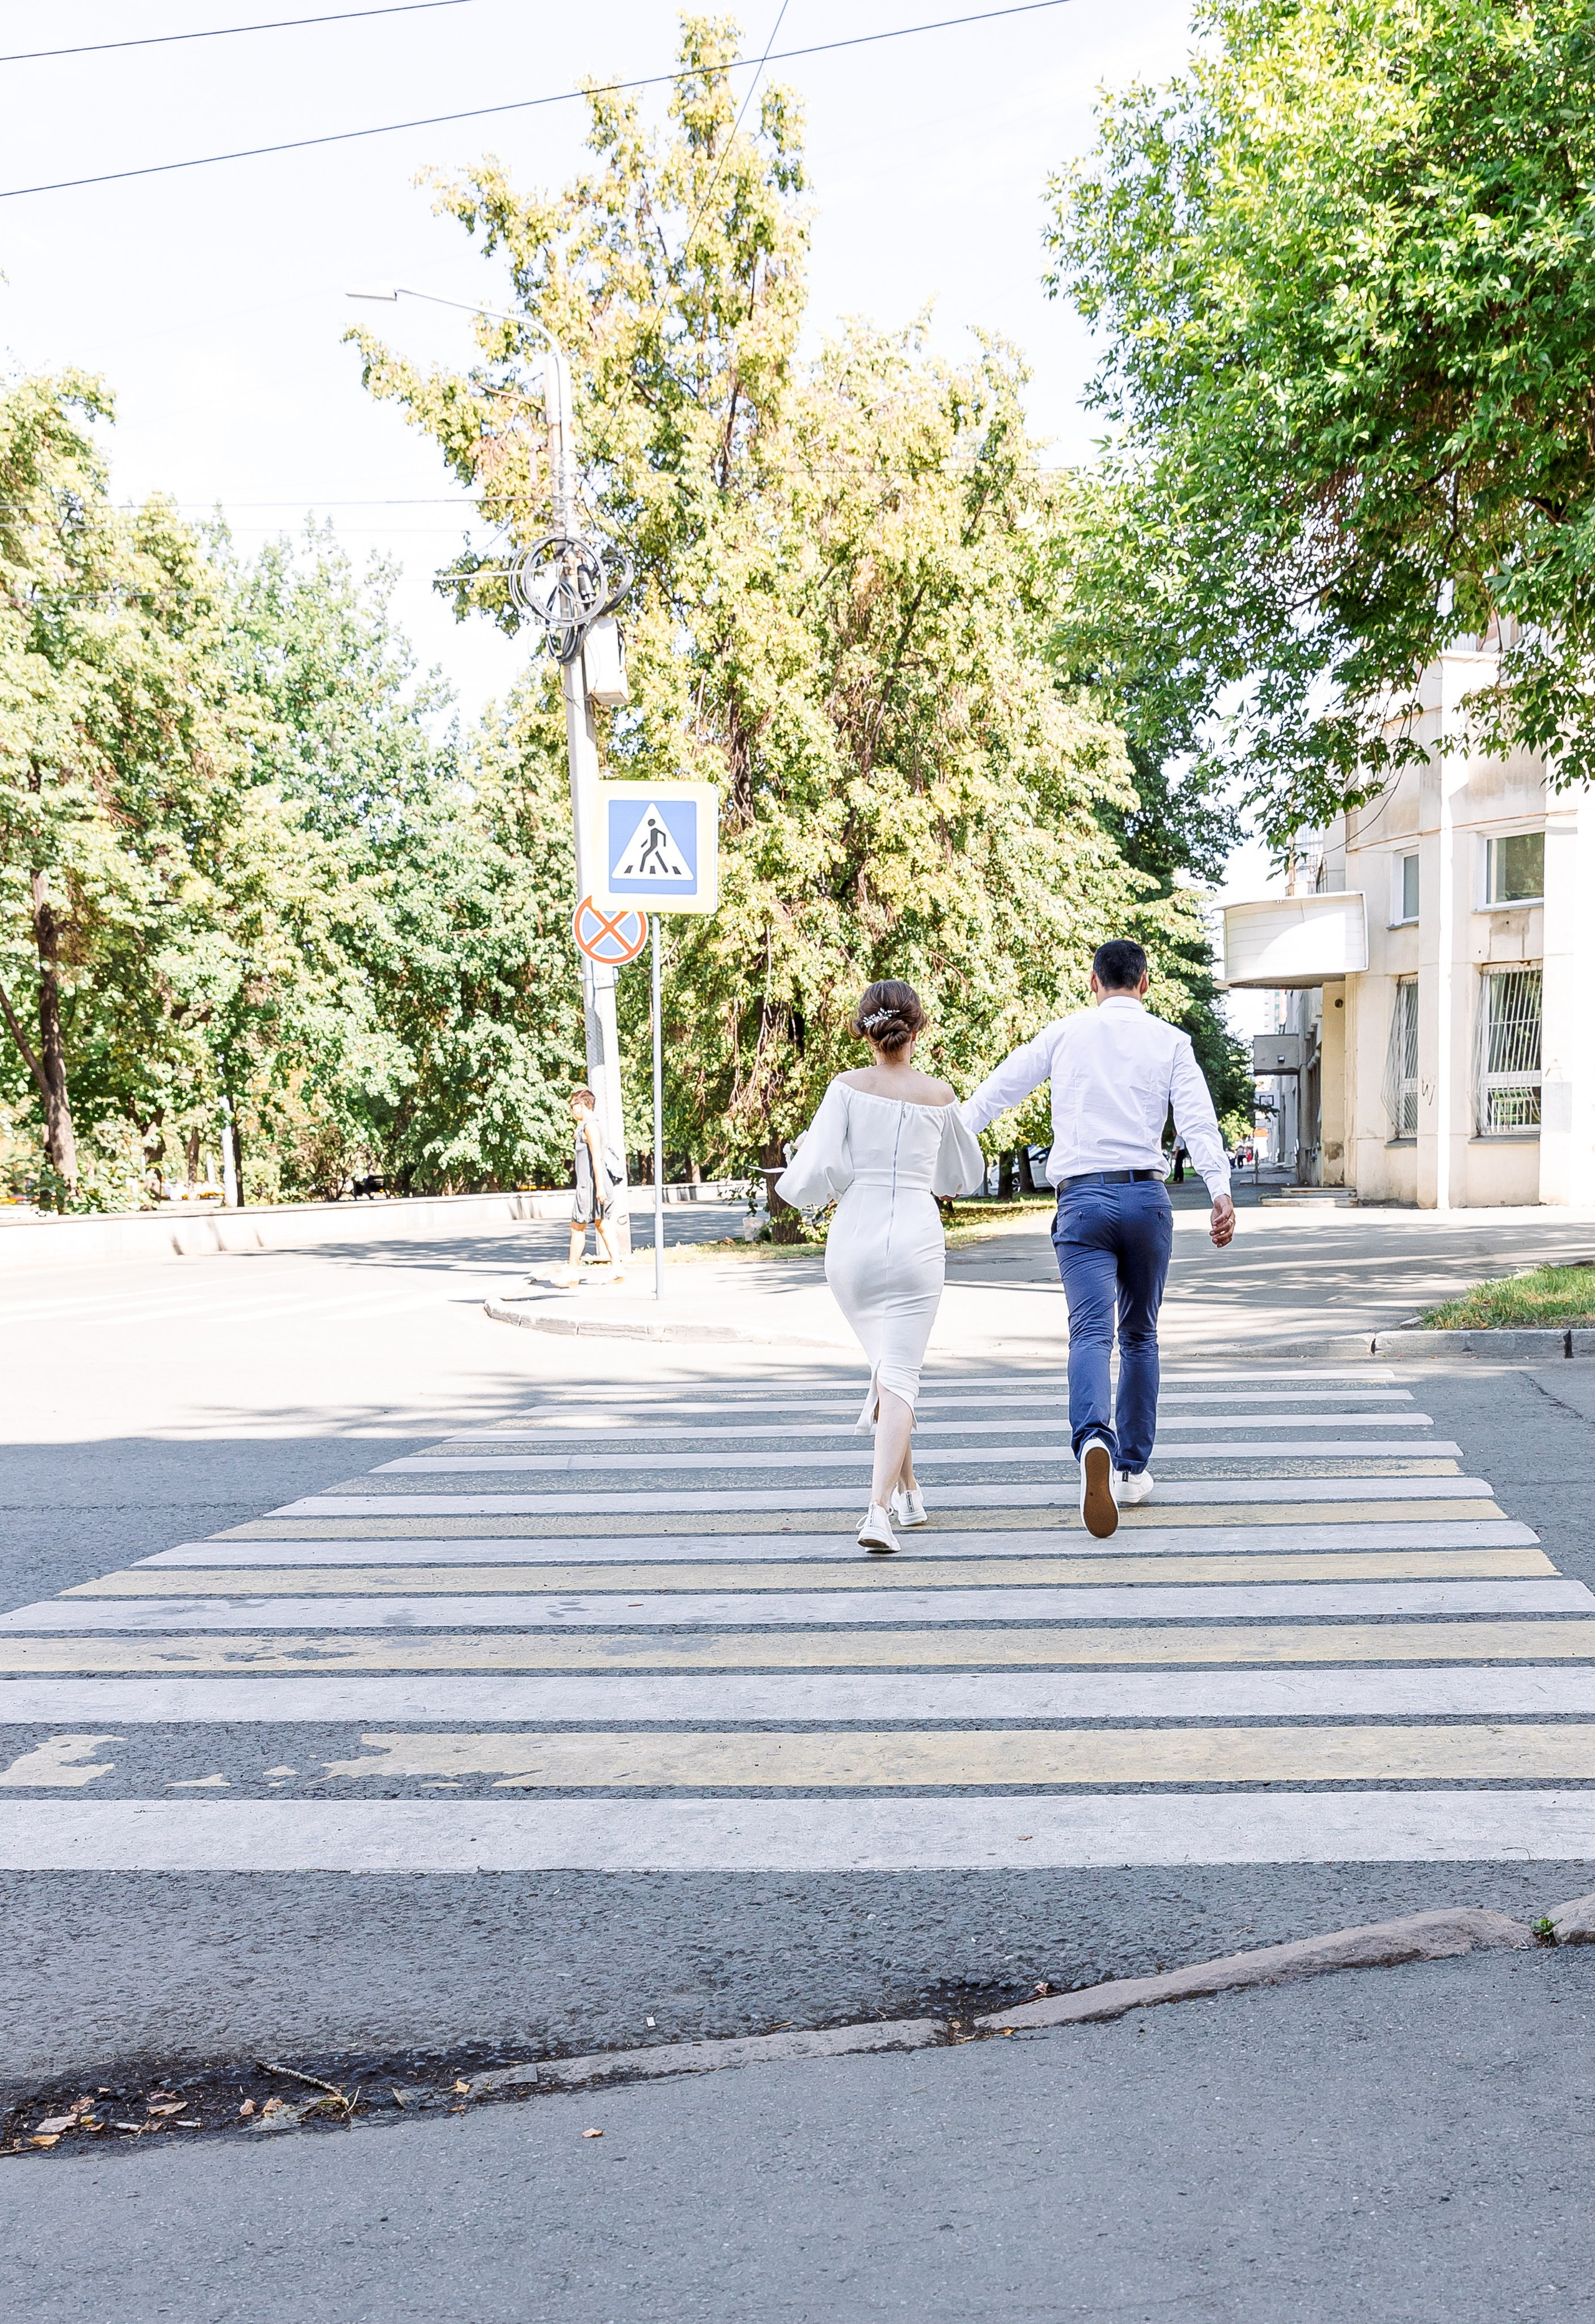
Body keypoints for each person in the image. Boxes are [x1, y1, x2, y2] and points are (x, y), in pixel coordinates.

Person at [961, 939, 1235, 1540]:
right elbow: (1196, 1119)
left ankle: (1092, 1440)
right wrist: (1219, 1189)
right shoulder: (1170, 1041)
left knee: (1090, 1331)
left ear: (1093, 982)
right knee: (1140, 1333)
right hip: (1145, 1200)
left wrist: (949, 1138)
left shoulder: (1064, 1035)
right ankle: (1132, 1469)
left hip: (1082, 1201)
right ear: (1144, 982)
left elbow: (1001, 1089)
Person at [776, 980, 986, 1555]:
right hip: (916, 1237)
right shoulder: (940, 1096)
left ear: (864, 1031)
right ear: (917, 1030)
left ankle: (910, 1493)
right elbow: (964, 1176)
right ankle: (877, 1510)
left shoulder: (844, 1089)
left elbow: (814, 1172)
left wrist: (807, 1179)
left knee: (891, 1367)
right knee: (899, 1373)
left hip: (854, 1239)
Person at [560, 1088, 625, 1285]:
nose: (571, 1111)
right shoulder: (586, 1127)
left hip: (591, 1186)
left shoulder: (591, 1127)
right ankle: (617, 1269)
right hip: (592, 1185)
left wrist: (600, 1189)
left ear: (583, 1105)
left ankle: (572, 1272)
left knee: (577, 1227)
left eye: (573, 1106)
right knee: (602, 1224)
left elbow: (597, 1157)